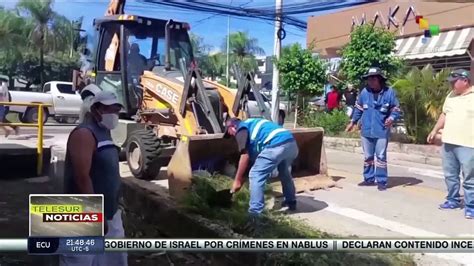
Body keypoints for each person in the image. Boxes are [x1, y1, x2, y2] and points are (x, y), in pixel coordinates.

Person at [61, 90, 127, 266]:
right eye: (109, 109)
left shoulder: (104, 132)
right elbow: (82, 177)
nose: (114, 114)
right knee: (80, 260)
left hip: (110, 212)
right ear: (96, 110)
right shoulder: (84, 134)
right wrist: (96, 215)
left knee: (112, 260)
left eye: (116, 110)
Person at [224, 117, 298, 216]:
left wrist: (237, 180)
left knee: (255, 174)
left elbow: (245, 155)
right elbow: (253, 159)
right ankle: (291, 201)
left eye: (229, 133)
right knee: (284, 172)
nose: (232, 135)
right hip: (291, 145)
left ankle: (255, 214)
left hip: (276, 146)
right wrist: (243, 176)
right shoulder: (252, 123)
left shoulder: (241, 129)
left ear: (232, 127)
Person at [426, 69, 474, 219]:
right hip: (449, 143)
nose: (451, 84)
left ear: (465, 81)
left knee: (469, 177)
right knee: (450, 175)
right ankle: (452, 200)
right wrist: (435, 130)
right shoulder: (451, 96)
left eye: (454, 81)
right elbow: (444, 114)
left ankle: (471, 206)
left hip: (468, 144)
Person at [345, 67, 400, 191]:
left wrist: (391, 118)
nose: (370, 81)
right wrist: (352, 122)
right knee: (368, 156)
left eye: (373, 79)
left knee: (380, 156)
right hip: (366, 131)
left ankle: (381, 181)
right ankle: (369, 179)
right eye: (368, 79)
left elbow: (395, 109)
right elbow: (358, 108)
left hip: (381, 130)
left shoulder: (389, 92)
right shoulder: (365, 92)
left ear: (379, 79)